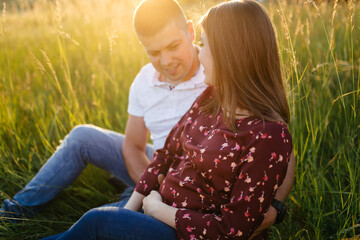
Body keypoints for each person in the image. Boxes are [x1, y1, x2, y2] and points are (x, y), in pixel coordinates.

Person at [1, 0, 294, 236]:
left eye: (174, 46)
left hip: (198, 191)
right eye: (154, 52)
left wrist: (273, 208)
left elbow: (278, 154)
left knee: (100, 221)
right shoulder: (157, 83)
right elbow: (138, 148)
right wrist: (150, 192)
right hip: (163, 171)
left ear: (192, 33)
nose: (166, 61)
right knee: (83, 139)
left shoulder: (221, 89)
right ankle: (15, 211)